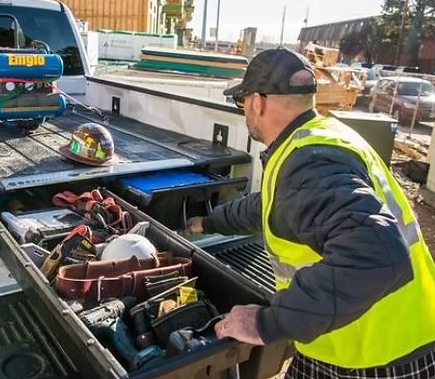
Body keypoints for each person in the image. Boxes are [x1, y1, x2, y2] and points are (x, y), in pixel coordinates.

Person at [185, 48, 435, 379]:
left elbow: (379, 256)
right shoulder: (318, 139)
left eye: (241, 101)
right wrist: (208, 222)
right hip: (348, 336)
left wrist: (266, 323)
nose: (244, 110)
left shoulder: (309, 161)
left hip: (374, 356)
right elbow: (274, 204)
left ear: (258, 102)